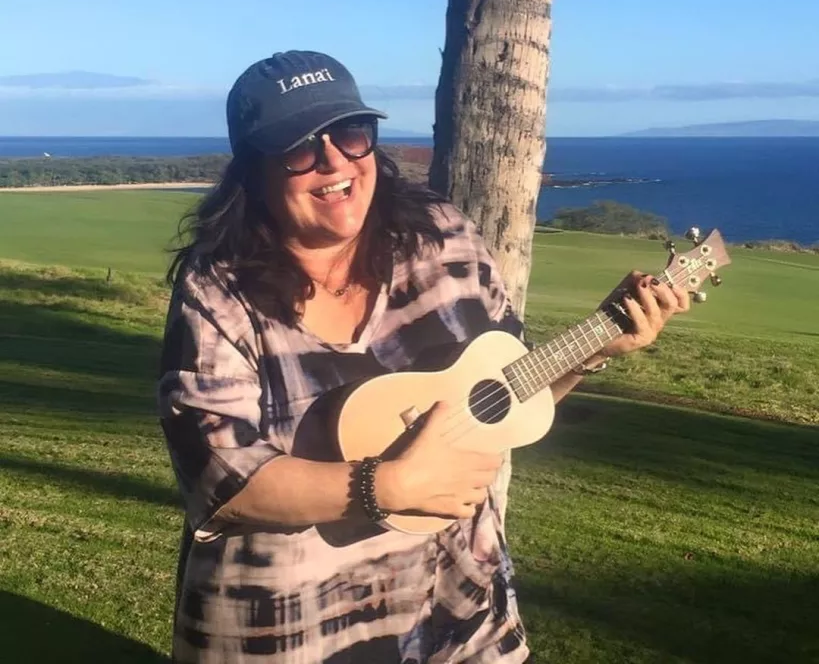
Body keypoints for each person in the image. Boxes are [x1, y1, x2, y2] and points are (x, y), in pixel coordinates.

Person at [159, 50, 689, 664]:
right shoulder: (218, 289)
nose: (335, 161)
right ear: (253, 171)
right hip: (290, 621)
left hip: (455, 600)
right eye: (300, 147)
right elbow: (219, 480)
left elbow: (496, 397)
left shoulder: (443, 237)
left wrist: (596, 346)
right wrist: (386, 485)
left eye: (351, 134)